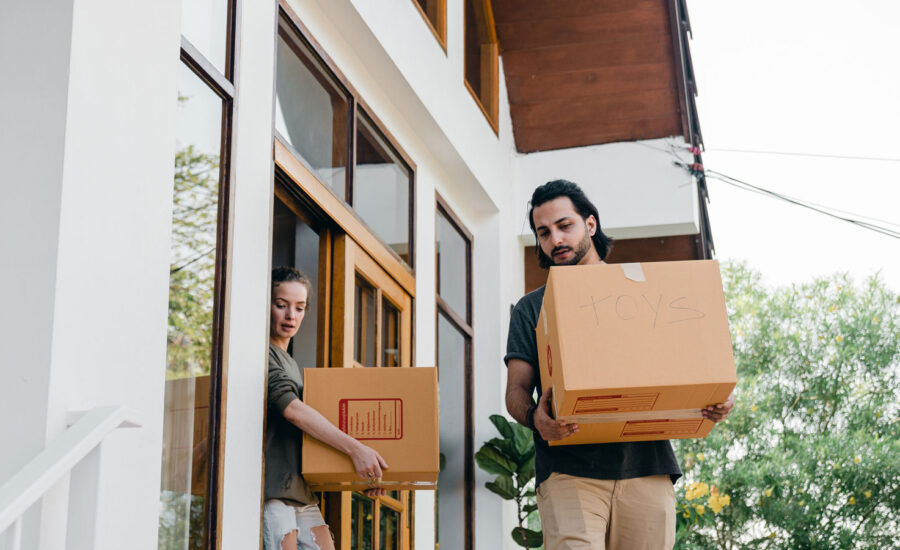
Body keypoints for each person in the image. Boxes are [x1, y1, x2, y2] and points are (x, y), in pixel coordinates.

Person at [504, 180, 734, 550]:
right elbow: (515, 390)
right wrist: (536, 419)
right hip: (569, 472)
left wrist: (716, 396)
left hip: (647, 467)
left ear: (590, 225)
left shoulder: (641, 290)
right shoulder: (531, 308)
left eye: (565, 226)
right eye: (544, 232)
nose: (555, 240)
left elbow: (692, 362)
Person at [264, 266, 388, 550]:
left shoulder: (291, 364)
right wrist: (357, 450)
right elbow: (292, 411)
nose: (291, 316)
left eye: (299, 307)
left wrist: (366, 472)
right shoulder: (262, 353)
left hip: (302, 493)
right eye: (281, 305)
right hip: (275, 492)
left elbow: (314, 435)